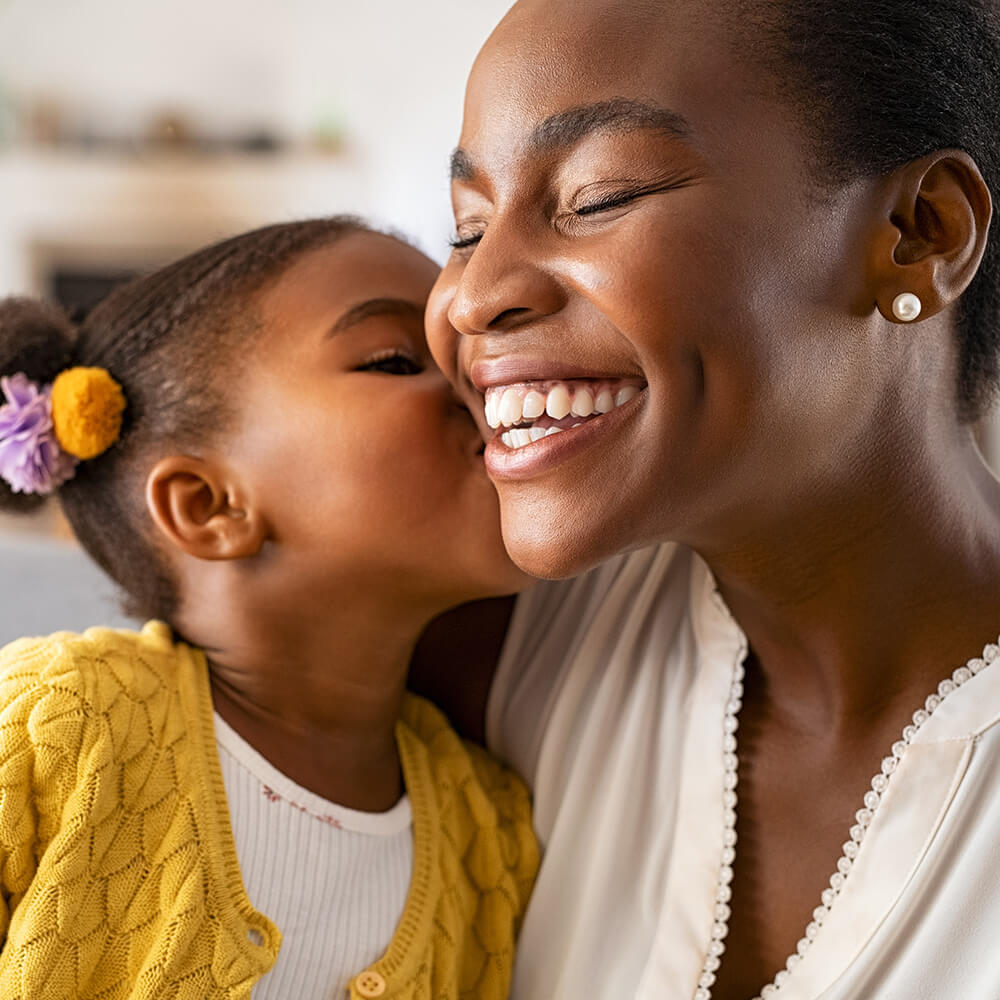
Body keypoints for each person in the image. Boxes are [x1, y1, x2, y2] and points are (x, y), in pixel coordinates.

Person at [423, 0, 1000, 997]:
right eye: (467, 228)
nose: (473, 297)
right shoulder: (495, 648)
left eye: (599, 195)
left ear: (919, 232)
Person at [0, 218, 538, 1000]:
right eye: (394, 360)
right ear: (210, 506)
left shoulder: (489, 834)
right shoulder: (54, 725)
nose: (486, 384)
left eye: (468, 357)